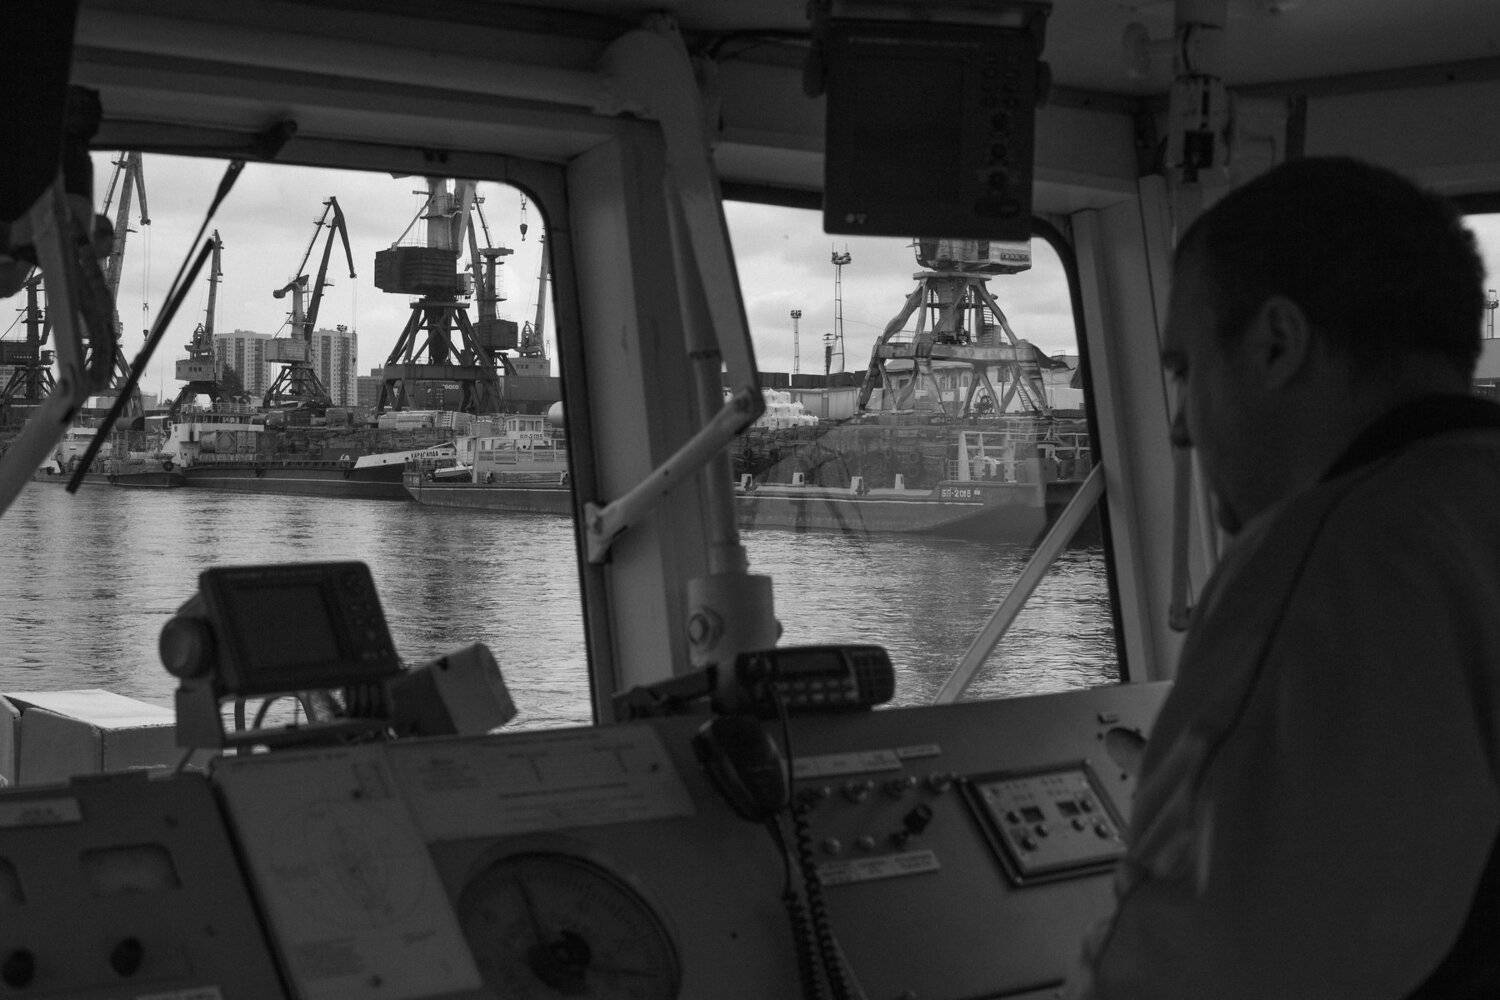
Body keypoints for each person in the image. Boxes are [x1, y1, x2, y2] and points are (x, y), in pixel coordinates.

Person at [1068, 157, 1500, 998]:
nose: (1179, 427)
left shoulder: (1343, 558)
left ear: (1277, 344)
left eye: (1185, 370)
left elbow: (1211, 969)